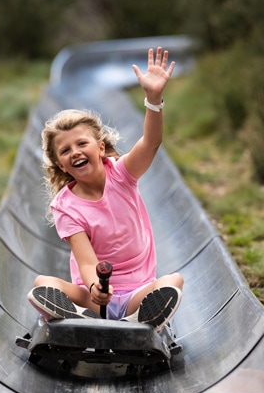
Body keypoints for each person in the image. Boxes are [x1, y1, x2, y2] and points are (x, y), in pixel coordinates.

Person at [28, 47, 184, 332]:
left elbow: (150, 142)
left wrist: (153, 99)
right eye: (65, 150)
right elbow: (87, 261)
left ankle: (135, 318)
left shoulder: (122, 175)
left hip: (138, 292)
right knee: (42, 283)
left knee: (173, 282)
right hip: (93, 296)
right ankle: (81, 314)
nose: (75, 152)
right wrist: (95, 287)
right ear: (61, 165)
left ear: (100, 148)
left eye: (81, 144)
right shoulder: (66, 206)